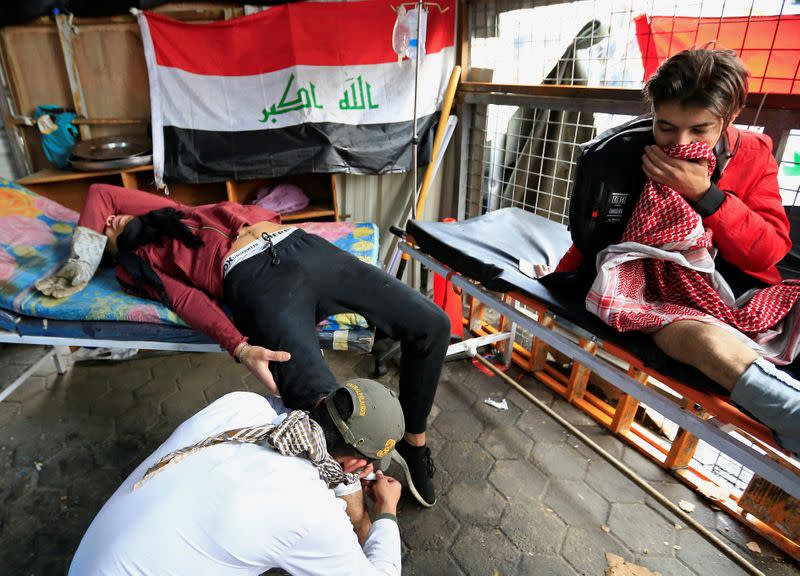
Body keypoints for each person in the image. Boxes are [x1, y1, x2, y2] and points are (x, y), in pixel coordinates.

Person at [36, 183, 449, 507]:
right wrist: (239, 346)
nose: (109, 220)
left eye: (109, 220)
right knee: (314, 398)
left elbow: (100, 195)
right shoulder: (138, 264)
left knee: (432, 324)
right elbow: (186, 300)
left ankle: (414, 444)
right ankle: (346, 491)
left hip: (304, 247)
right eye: (106, 228)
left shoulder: (176, 214)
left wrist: (101, 229)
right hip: (256, 282)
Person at [537, 48, 799, 453]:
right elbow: (596, 236)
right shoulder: (626, 150)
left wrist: (707, 197)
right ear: (652, 115)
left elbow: (768, 253)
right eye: (666, 127)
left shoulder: (752, 154)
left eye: (700, 131)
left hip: (740, 288)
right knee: (707, 344)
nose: (680, 143)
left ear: (729, 119)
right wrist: (561, 281)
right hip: (660, 294)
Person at [69, 379, 406, 575]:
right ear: (352, 467)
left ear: (321, 403)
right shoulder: (308, 510)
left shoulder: (240, 406)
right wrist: (387, 514)